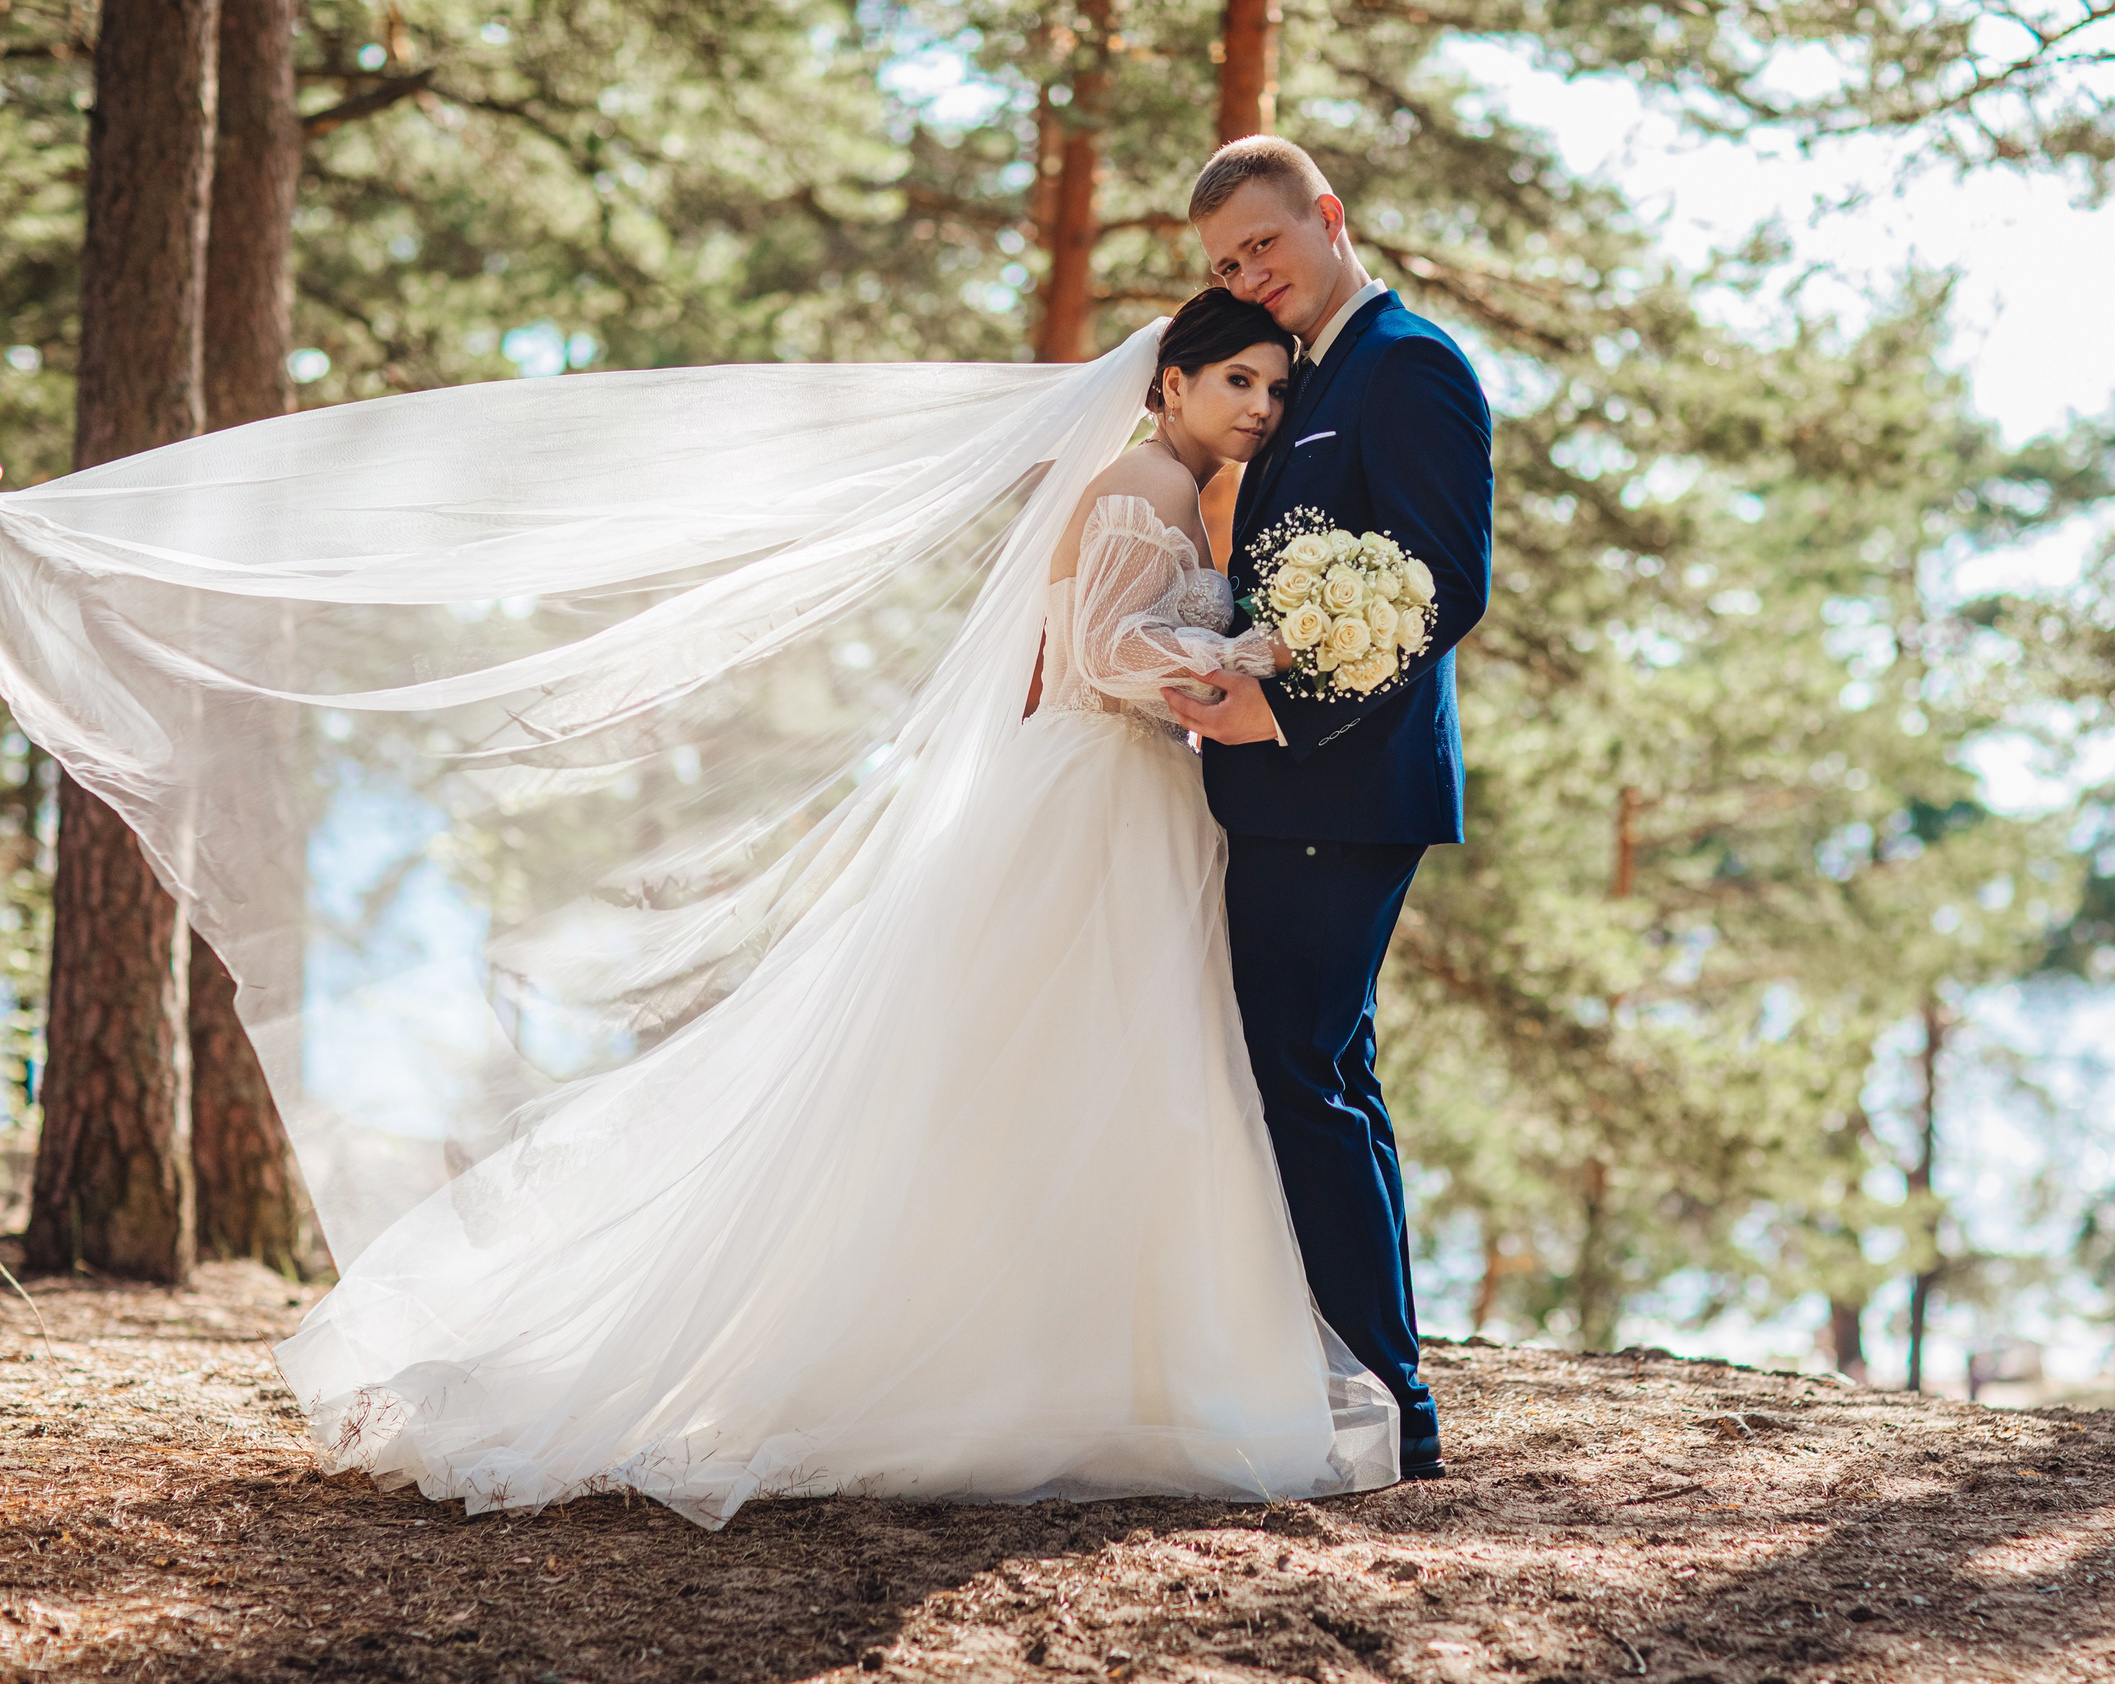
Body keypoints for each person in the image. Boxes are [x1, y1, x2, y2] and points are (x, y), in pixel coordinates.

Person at [0, 289, 1405, 1528]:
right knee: (1077, 1063)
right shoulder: (1137, 486)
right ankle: (1045, 1368)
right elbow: (1100, 650)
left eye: (1277, 389)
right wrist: (1255, 648)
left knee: (1106, 1072)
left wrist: (1237, 650)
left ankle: (1097, 1361)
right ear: (1171, 382)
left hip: (1127, 795)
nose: (1261, 407)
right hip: (1099, 795)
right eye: (1239, 381)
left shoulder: (1172, 488)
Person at [1165, 137, 1497, 1482]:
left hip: (1342, 784)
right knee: (1327, 1075)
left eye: (1263, 245)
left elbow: (1442, 582)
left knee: (1298, 1074)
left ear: (1328, 215)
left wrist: (1287, 711)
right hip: (1285, 781)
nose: (1250, 277)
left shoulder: (1408, 365)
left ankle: (1382, 1401)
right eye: (1226, 266)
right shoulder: (1307, 373)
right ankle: (1372, 1388)